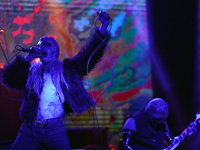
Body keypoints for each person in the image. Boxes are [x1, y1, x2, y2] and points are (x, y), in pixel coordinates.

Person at [1, 11, 111, 150]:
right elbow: (9, 79)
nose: (41, 46)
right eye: (39, 44)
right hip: (30, 128)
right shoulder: (32, 70)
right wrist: (27, 59)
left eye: (46, 44)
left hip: (54, 128)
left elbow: (88, 55)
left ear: (56, 50)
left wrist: (103, 28)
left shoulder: (66, 69)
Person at [122, 98, 197, 150]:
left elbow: (171, 143)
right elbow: (125, 146)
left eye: (163, 118)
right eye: (157, 119)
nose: (161, 122)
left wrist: (187, 135)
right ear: (148, 111)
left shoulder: (162, 122)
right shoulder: (133, 121)